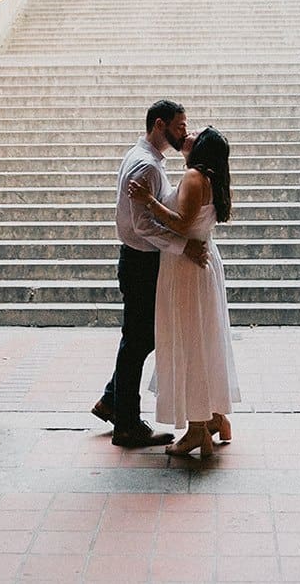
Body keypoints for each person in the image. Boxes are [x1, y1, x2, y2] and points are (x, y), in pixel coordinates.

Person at [93, 99, 209, 448]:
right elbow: (143, 225)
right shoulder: (146, 166)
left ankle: (112, 401)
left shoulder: (145, 158)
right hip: (141, 263)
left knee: (141, 338)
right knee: (138, 341)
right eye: (179, 126)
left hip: (139, 260)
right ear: (160, 125)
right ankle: (126, 424)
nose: (184, 133)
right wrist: (183, 246)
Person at [127, 126, 240, 458]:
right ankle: (215, 416)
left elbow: (181, 223)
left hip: (187, 268)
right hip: (202, 261)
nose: (189, 134)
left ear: (202, 147)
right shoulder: (212, 178)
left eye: (196, 133)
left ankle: (196, 430)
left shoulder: (194, 176)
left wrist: (148, 201)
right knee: (205, 340)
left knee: (189, 341)